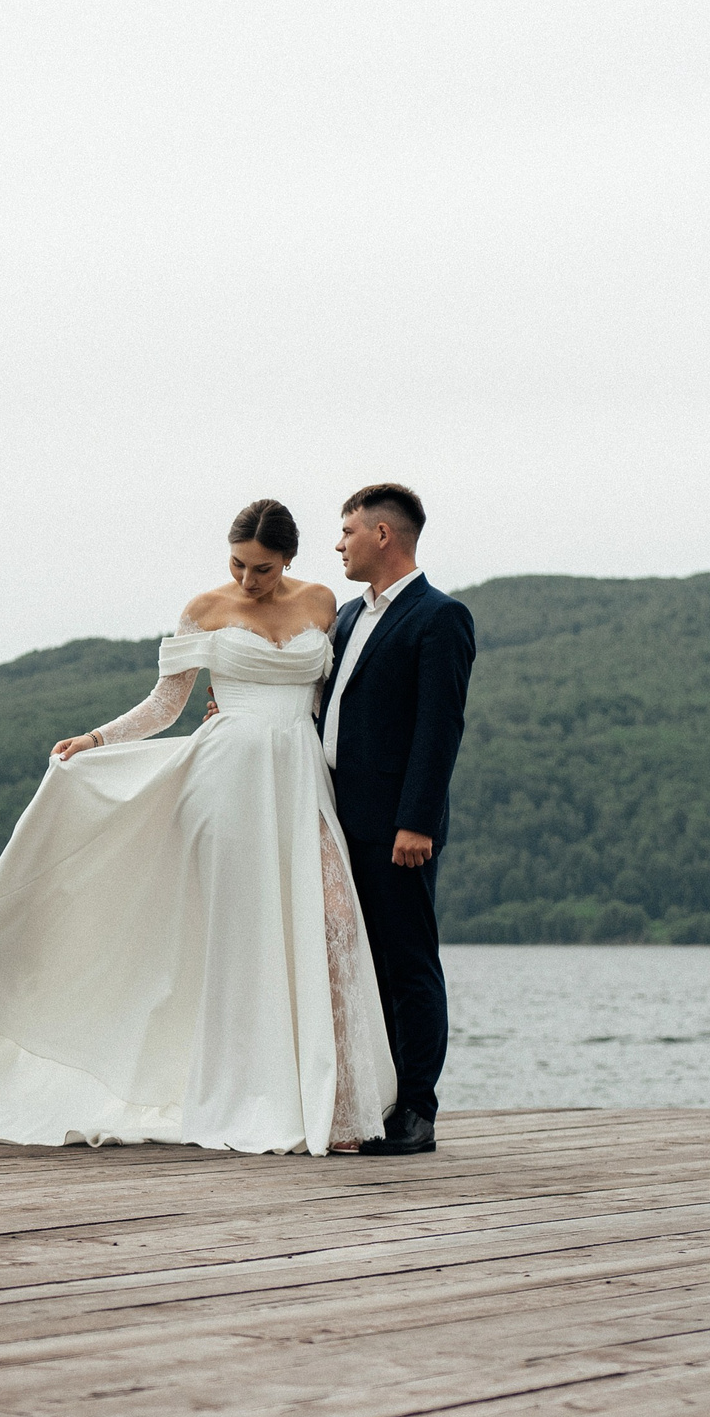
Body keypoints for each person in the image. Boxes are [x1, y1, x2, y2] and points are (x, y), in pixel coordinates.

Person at [0, 499, 396, 1155]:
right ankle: (243, 1090)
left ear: (288, 559)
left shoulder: (321, 603)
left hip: (298, 776)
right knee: (239, 936)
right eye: (238, 564)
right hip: (226, 781)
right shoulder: (204, 609)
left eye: (262, 568)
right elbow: (167, 703)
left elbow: (322, 698)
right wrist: (96, 738)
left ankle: (335, 1101)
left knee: (330, 918)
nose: (248, 579)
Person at [319, 483, 476, 1154]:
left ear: (383, 534)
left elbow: (440, 727)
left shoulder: (440, 616)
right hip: (335, 817)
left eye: (348, 530)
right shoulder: (347, 616)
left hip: (396, 829)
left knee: (408, 963)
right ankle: (374, 1099)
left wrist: (417, 821)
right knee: (362, 965)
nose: (339, 544)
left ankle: (416, 1110)